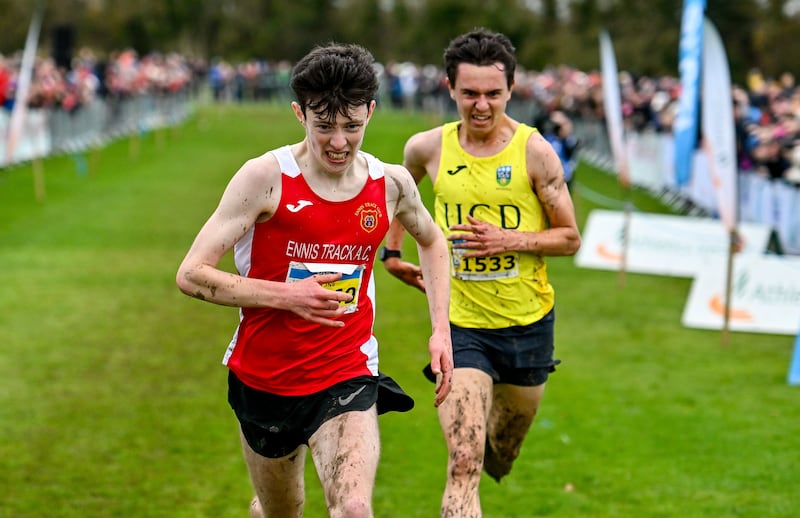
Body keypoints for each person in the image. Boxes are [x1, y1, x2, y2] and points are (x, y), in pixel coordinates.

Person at [176, 42, 453, 518]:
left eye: (352, 126)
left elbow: (432, 240)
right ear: (298, 114)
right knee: (282, 511)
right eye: (324, 126)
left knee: (352, 509)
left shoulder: (389, 185)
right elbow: (192, 274)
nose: (339, 142)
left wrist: (441, 329)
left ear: (370, 111)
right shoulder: (264, 178)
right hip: (265, 379)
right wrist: (288, 296)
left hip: (345, 371)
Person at [381, 28, 581, 517]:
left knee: (500, 455)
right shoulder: (426, 147)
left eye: (493, 93)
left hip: (528, 325)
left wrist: (509, 239)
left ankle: (502, 449)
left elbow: (570, 238)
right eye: (469, 93)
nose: (482, 105)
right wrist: (392, 255)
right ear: (450, 88)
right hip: (460, 326)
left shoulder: (535, 153)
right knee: (464, 460)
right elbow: (398, 199)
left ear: (511, 89)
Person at [540, 110, 580, 191]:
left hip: (565, 177)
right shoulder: (549, 138)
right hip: (549, 176)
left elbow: (570, 152)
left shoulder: (570, 141)